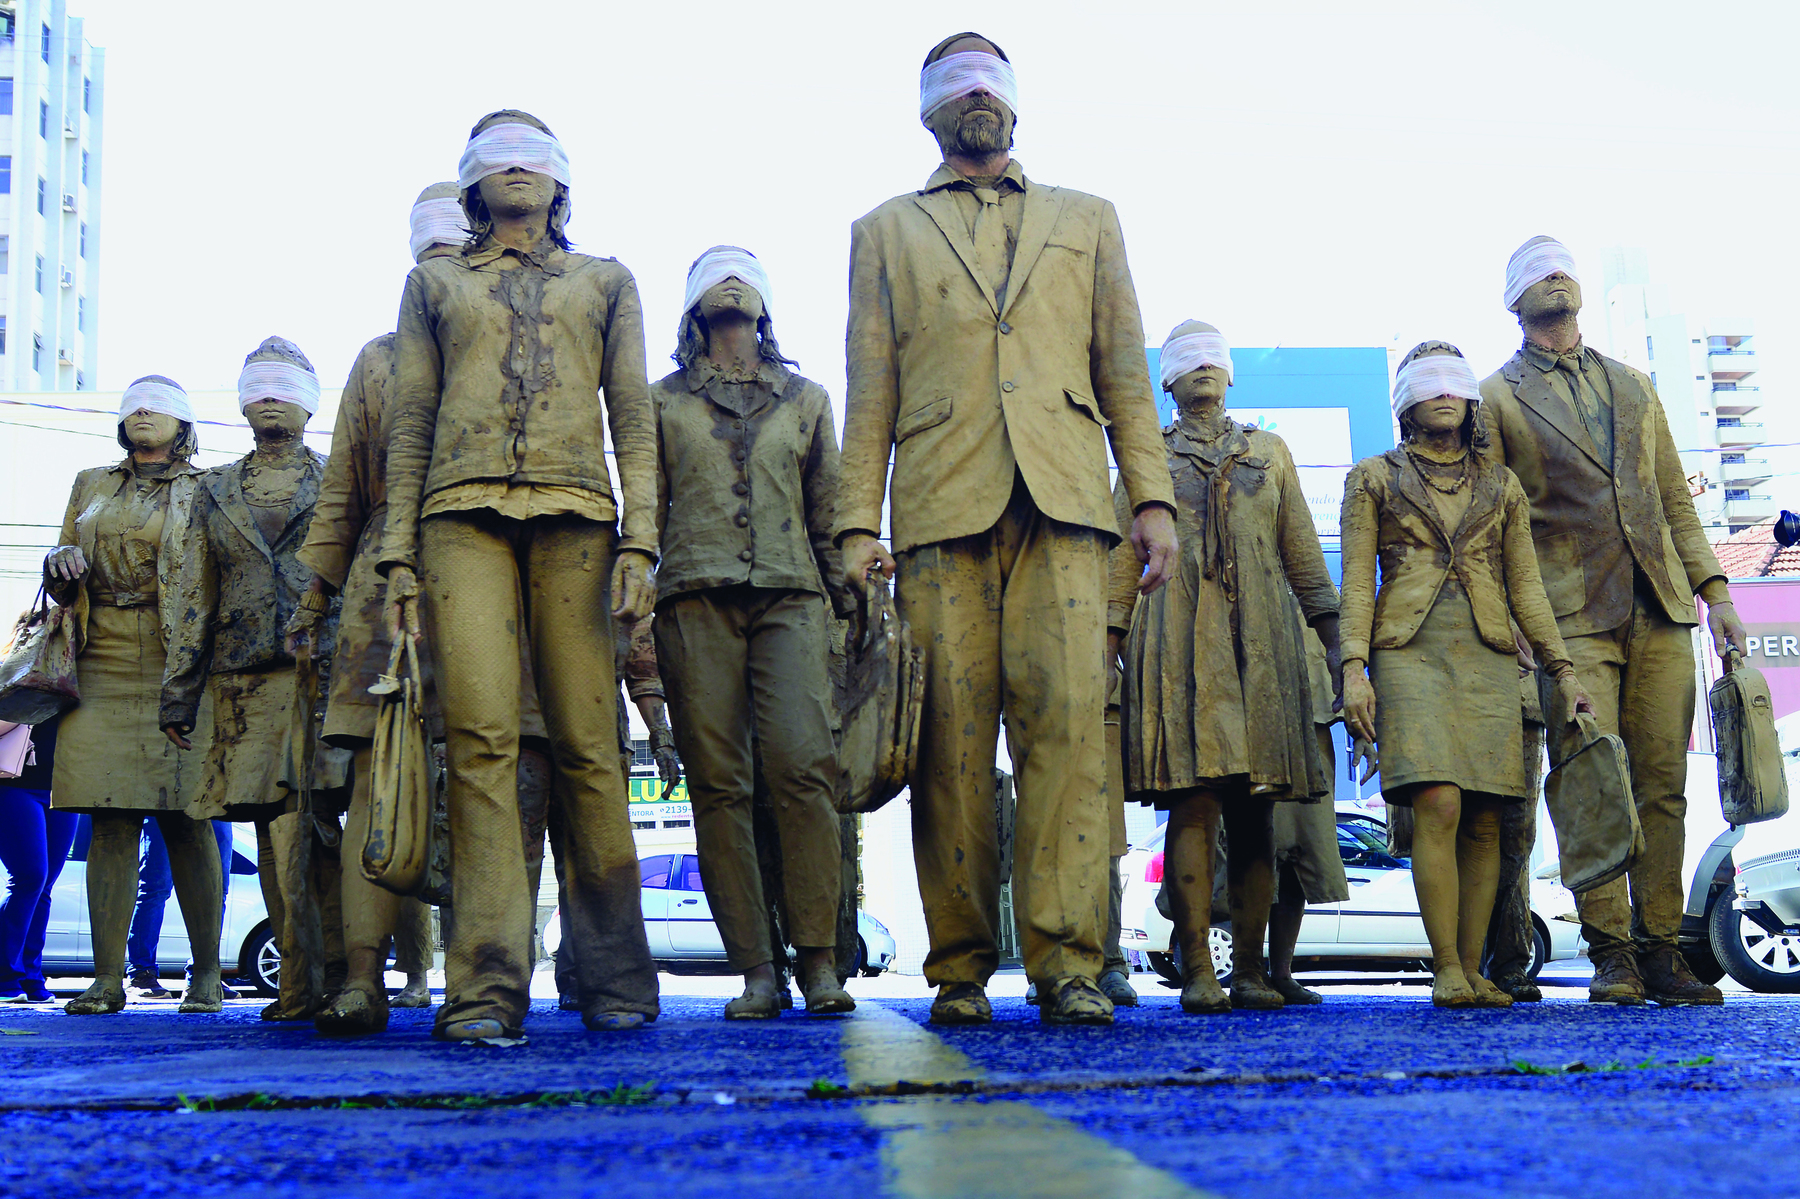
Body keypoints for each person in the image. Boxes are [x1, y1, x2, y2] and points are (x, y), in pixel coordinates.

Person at [837, 32, 1178, 1026]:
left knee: (1070, 734)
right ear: (928, 112)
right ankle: (958, 968)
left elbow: (1124, 366)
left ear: (1016, 107)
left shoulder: (1088, 218)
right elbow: (870, 393)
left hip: (1068, 503)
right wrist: (859, 521)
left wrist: (1150, 497)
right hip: (942, 509)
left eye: (991, 80)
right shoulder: (883, 230)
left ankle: (1070, 961)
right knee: (948, 744)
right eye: (954, 82)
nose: (975, 96)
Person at [379, 110, 661, 1041]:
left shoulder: (605, 281)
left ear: (561, 182)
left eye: (532, 156)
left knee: (590, 745)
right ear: (469, 184)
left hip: (579, 517)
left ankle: (619, 981)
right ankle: (485, 990)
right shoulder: (433, 284)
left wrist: (641, 543)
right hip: (457, 518)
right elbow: (412, 419)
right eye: (495, 156)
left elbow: (634, 418)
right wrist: (394, 556)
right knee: (480, 744)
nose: (516, 170)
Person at [1477, 237, 1747, 1006]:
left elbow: (1673, 499)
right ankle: (1612, 950)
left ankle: (1662, 946)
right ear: (1515, 302)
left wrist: (1716, 592)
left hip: (1658, 607)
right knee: (1592, 779)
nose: (1554, 276)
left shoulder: (1635, 386)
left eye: (1562, 266)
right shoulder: (1495, 399)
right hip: (1565, 619)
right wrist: (1518, 626)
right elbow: (1495, 520)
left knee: (1664, 784)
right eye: (1536, 271)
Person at [1340, 341, 1591, 1008]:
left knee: (1485, 816)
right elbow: (1358, 584)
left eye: (1456, 379)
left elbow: (1527, 586)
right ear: (1405, 401)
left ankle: (1475, 968)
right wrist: (1353, 667)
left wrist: (1561, 666)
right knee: (1439, 802)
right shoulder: (1372, 477)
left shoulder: (1500, 484)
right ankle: (1447, 966)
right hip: (1407, 650)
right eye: (1428, 382)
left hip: (1488, 653)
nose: (1445, 391)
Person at [291, 183, 478, 1035]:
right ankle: (362, 978)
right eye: (429, 247)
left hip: (493, 567)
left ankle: (482, 976)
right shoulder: (378, 356)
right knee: (376, 776)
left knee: (497, 769)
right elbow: (341, 488)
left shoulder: (511, 325)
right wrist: (316, 590)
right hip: (382, 581)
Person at [1111, 321, 1341, 1014]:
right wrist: (1109, 644)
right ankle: (1199, 969)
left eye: (1214, 356)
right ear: (1167, 381)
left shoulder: (1270, 452)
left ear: (1232, 373)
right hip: (1177, 640)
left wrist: (1336, 647)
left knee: (1256, 811)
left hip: (1263, 646)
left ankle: (1249, 969)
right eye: (1187, 360)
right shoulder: (1145, 455)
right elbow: (1123, 560)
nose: (1203, 367)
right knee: (1194, 798)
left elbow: (1302, 552)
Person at [650, 246, 854, 1019]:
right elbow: (648, 506)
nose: (731, 281)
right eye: (711, 274)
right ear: (694, 308)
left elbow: (828, 511)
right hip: (694, 596)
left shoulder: (805, 399)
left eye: (746, 274)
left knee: (805, 769)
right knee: (720, 785)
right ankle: (756, 968)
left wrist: (852, 602)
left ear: (766, 305)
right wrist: (635, 602)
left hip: (791, 594)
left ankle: (820, 960)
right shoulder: (661, 401)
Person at [160, 338, 343, 1022]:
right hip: (241, 682)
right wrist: (179, 689)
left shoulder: (338, 479)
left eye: (283, 385)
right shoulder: (213, 489)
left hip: (320, 671)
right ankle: (302, 973)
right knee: (270, 827)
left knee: (318, 819)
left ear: (307, 401)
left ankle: (331, 972)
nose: (269, 395)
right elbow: (194, 593)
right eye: (257, 385)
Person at [46, 379, 225, 1016]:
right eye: (134, 404)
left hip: (182, 655)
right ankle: (106, 979)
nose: (144, 411)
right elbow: (67, 549)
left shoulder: (209, 487)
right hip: (102, 654)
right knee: (108, 818)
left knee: (189, 816)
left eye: (160, 404)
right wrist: (59, 563)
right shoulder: (90, 481)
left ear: (184, 423)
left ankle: (206, 975)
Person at [1267, 631, 1354, 1005]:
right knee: (1246, 852)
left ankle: (1281, 972)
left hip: (1312, 721)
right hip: (1246, 715)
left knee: (1300, 854)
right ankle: (1244, 968)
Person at [0, 716, 77, 1003]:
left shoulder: (82, 676)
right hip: (12, 783)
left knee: (43, 886)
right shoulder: (16, 673)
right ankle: (5, 976)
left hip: (64, 786)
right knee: (29, 878)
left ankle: (31, 975)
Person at [124, 817, 237, 1000]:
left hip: (214, 798)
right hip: (164, 797)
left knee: (216, 891)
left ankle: (203, 973)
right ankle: (140, 974)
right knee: (155, 888)